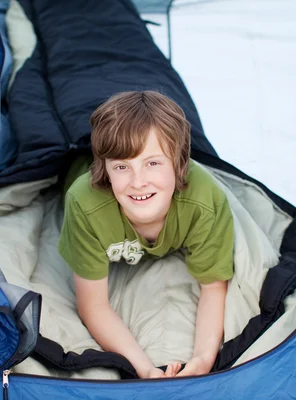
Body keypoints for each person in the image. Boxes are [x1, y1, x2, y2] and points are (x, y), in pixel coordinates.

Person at [58, 90, 234, 379]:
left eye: (153, 163)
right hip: (72, 145)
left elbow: (213, 287)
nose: (138, 182)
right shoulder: (85, 203)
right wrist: (144, 368)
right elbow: (93, 305)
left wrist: (203, 359)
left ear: (178, 164)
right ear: (105, 168)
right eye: (122, 167)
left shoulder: (203, 200)